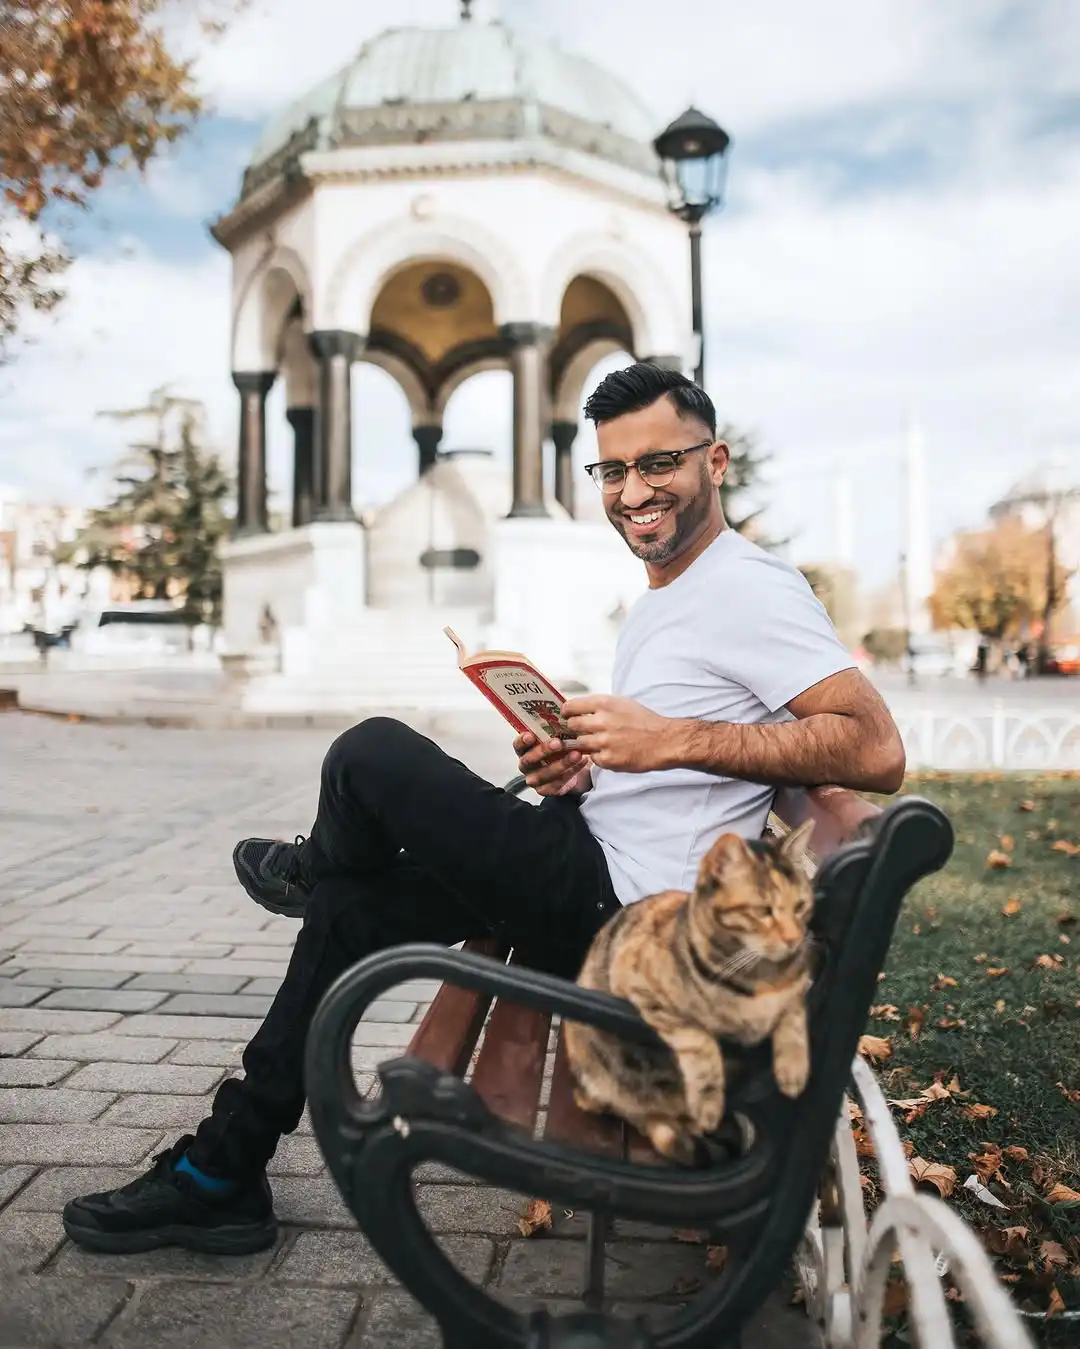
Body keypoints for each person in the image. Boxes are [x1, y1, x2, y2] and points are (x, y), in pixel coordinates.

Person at [63, 362, 906, 1255]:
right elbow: (689, 772)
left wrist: (668, 740)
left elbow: (876, 749)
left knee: (371, 753)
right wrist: (584, 768)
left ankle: (310, 867)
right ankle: (221, 1171)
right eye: (612, 471)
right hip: (590, 852)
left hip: (624, 911)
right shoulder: (672, 593)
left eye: (659, 463)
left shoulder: (750, 585)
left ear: (716, 462)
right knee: (353, 910)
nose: (633, 491)